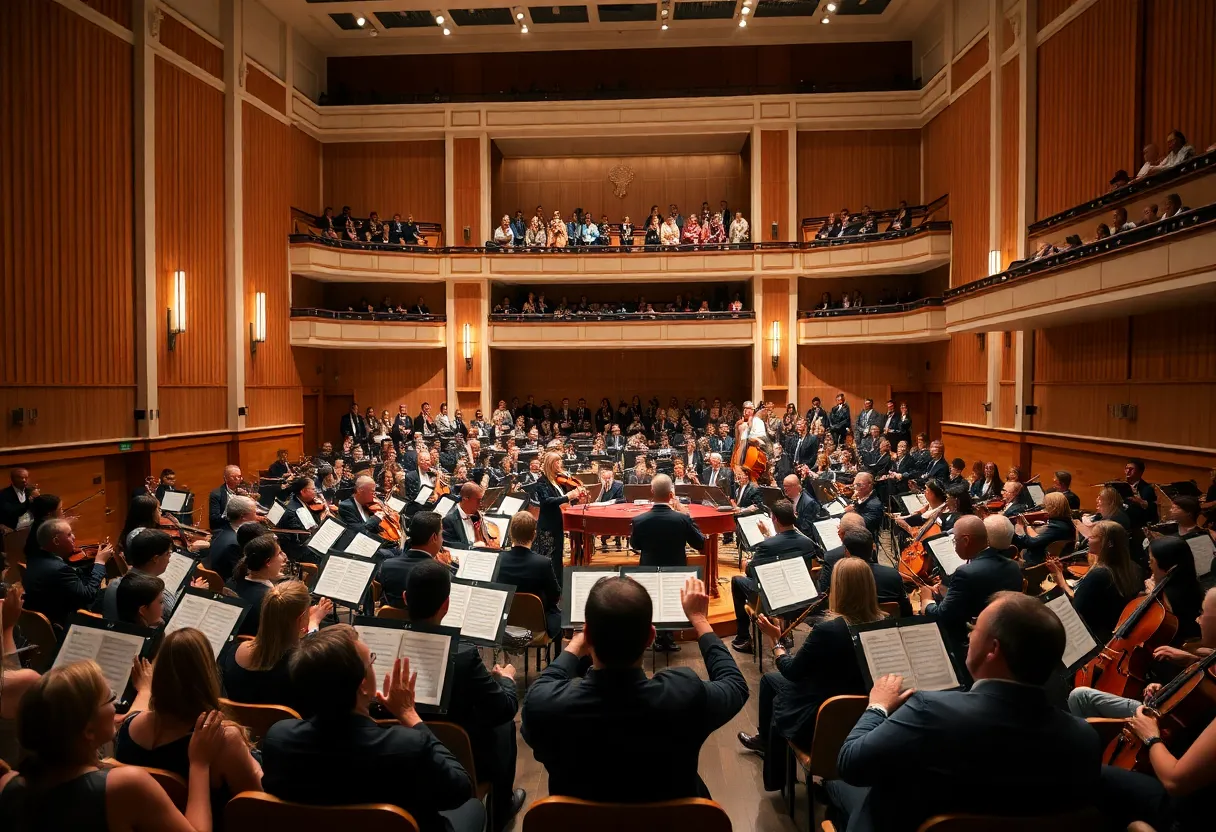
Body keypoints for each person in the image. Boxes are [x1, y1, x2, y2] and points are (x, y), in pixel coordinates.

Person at [824, 592, 1101, 831]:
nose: (969, 634)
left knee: (836, 785)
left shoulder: (927, 710)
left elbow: (850, 763)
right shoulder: (1084, 737)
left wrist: (878, 706)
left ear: (993, 649)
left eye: (975, 628)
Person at [521, 575, 747, 802]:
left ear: (588, 635)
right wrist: (699, 619)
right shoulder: (684, 695)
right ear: (651, 637)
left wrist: (576, 644)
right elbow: (735, 684)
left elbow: (545, 685)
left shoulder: (546, 707)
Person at [261, 626, 482, 832]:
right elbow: (461, 789)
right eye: (371, 661)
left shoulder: (278, 739)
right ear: (363, 686)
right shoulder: (408, 747)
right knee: (474, 807)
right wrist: (409, 714)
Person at [3, 660, 227, 832]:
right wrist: (199, 764)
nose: (116, 706)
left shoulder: (7, 783)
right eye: (110, 698)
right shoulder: (125, 786)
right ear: (88, 731)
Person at [740, 557, 884, 790]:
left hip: (823, 716)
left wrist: (776, 642)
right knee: (770, 681)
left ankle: (773, 762)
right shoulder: (884, 624)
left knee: (774, 686)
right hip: (868, 712)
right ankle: (766, 741)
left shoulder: (829, 629)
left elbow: (792, 671)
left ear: (839, 588)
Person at [405, 560, 525, 829]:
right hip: (461, 760)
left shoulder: (382, 645)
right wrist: (504, 680)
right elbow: (504, 708)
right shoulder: (464, 655)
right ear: (446, 605)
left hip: (401, 751)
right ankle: (502, 805)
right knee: (504, 723)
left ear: (405, 598)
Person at [1089, 588, 1216, 832]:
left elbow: (1174, 780)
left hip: (1189, 809)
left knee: (1098, 776)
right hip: (1192, 778)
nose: (1197, 619)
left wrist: (1151, 736)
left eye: (1203, 613)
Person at [115, 627, 263, 801]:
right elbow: (255, 799)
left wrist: (144, 690)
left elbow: (138, 713)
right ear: (207, 675)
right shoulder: (223, 738)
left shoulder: (127, 728)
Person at [919, 515, 1022, 652]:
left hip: (972, 643)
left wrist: (927, 602)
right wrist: (950, 594)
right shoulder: (1013, 566)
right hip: (1006, 637)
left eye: (955, 541)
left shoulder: (965, 573)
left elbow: (944, 616)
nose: (955, 546)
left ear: (966, 540)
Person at [220, 580, 329, 708]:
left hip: (242, 725)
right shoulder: (304, 668)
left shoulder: (232, 652)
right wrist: (314, 623)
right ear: (300, 619)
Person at [729, 499, 816, 652]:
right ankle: (782, 627)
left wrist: (746, 564)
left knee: (737, 580)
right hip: (801, 595)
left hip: (774, 596)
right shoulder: (807, 542)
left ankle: (743, 636)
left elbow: (751, 571)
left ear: (774, 519)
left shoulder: (766, 546)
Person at [1047, 520, 1142, 642]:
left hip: (1093, 635)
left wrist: (1059, 575)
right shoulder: (1135, 568)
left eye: (1093, 537)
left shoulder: (1100, 574)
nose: (1088, 540)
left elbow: (1076, 605)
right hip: (1114, 631)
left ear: (1109, 544)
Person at [21, 519, 113, 632]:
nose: (74, 537)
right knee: (112, 593)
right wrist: (100, 563)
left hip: (46, 615)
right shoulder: (59, 569)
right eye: (69, 535)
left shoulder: (34, 559)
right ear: (56, 541)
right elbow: (88, 595)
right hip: (66, 623)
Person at [100, 529, 185, 620]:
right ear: (155, 558)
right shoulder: (152, 593)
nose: (169, 559)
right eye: (168, 553)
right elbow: (174, 615)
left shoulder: (114, 584)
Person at [532, 451, 587, 587]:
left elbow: (563, 500)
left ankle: (559, 586)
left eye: (560, 461)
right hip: (548, 525)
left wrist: (576, 496)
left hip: (558, 523)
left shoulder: (557, 481)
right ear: (550, 464)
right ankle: (549, 586)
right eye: (557, 462)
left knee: (557, 555)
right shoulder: (541, 482)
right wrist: (568, 496)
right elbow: (547, 501)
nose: (560, 464)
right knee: (548, 557)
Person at [378, 511, 450, 608]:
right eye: (441, 534)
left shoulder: (387, 565)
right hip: (424, 622)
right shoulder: (440, 574)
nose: (442, 540)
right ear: (434, 537)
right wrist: (447, 567)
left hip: (390, 621)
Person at [226, 534, 287, 637]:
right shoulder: (272, 598)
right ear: (268, 562)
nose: (284, 557)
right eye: (280, 553)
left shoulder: (232, 581)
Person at [205, 496, 261, 582]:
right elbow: (241, 576)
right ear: (243, 517)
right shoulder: (235, 544)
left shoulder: (221, 530)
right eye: (255, 513)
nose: (257, 517)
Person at [1012, 491, 1076, 565]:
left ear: (1052, 508)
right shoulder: (1065, 522)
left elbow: (1030, 542)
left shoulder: (1057, 527)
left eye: (1045, 506)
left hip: (1037, 563)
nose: (1043, 509)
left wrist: (1020, 528)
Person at [441, 482, 493, 549]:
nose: (481, 504)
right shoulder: (449, 519)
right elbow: (449, 544)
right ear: (465, 499)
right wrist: (472, 547)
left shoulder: (475, 514)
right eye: (478, 500)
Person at [207, 465, 247, 531]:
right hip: (225, 528)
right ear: (225, 478)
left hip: (242, 526)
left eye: (239, 477)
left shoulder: (244, 490)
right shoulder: (216, 494)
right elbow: (214, 518)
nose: (237, 479)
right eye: (234, 477)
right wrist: (235, 518)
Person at [0, 467, 35, 532]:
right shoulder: (3, 494)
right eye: (20, 478)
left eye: (26, 478)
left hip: (31, 526)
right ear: (12, 479)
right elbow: (13, 512)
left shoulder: (30, 491)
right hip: (14, 529)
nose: (24, 480)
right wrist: (29, 501)